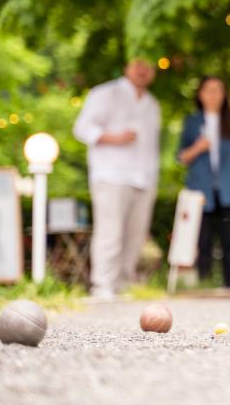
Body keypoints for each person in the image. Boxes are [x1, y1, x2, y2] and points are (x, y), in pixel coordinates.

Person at [73, 59, 161, 300]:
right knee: (110, 232)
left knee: (135, 235)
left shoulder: (153, 104)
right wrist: (114, 138)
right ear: (127, 67)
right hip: (111, 174)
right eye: (138, 64)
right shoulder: (105, 93)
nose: (143, 70)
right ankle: (102, 285)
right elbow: (82, 128)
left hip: (144, 178)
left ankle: (122, 284)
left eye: (148, 66)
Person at [178, 76, 230, 288]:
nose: (213, 95)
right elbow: (181, 157)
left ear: (224, 95)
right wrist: (197, 148)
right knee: (203, 242)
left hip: (229, 190)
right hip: (202, 191)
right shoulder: (192, 122)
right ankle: (205, 285)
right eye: (208, 90)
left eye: (218, 90)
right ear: (200, 94)